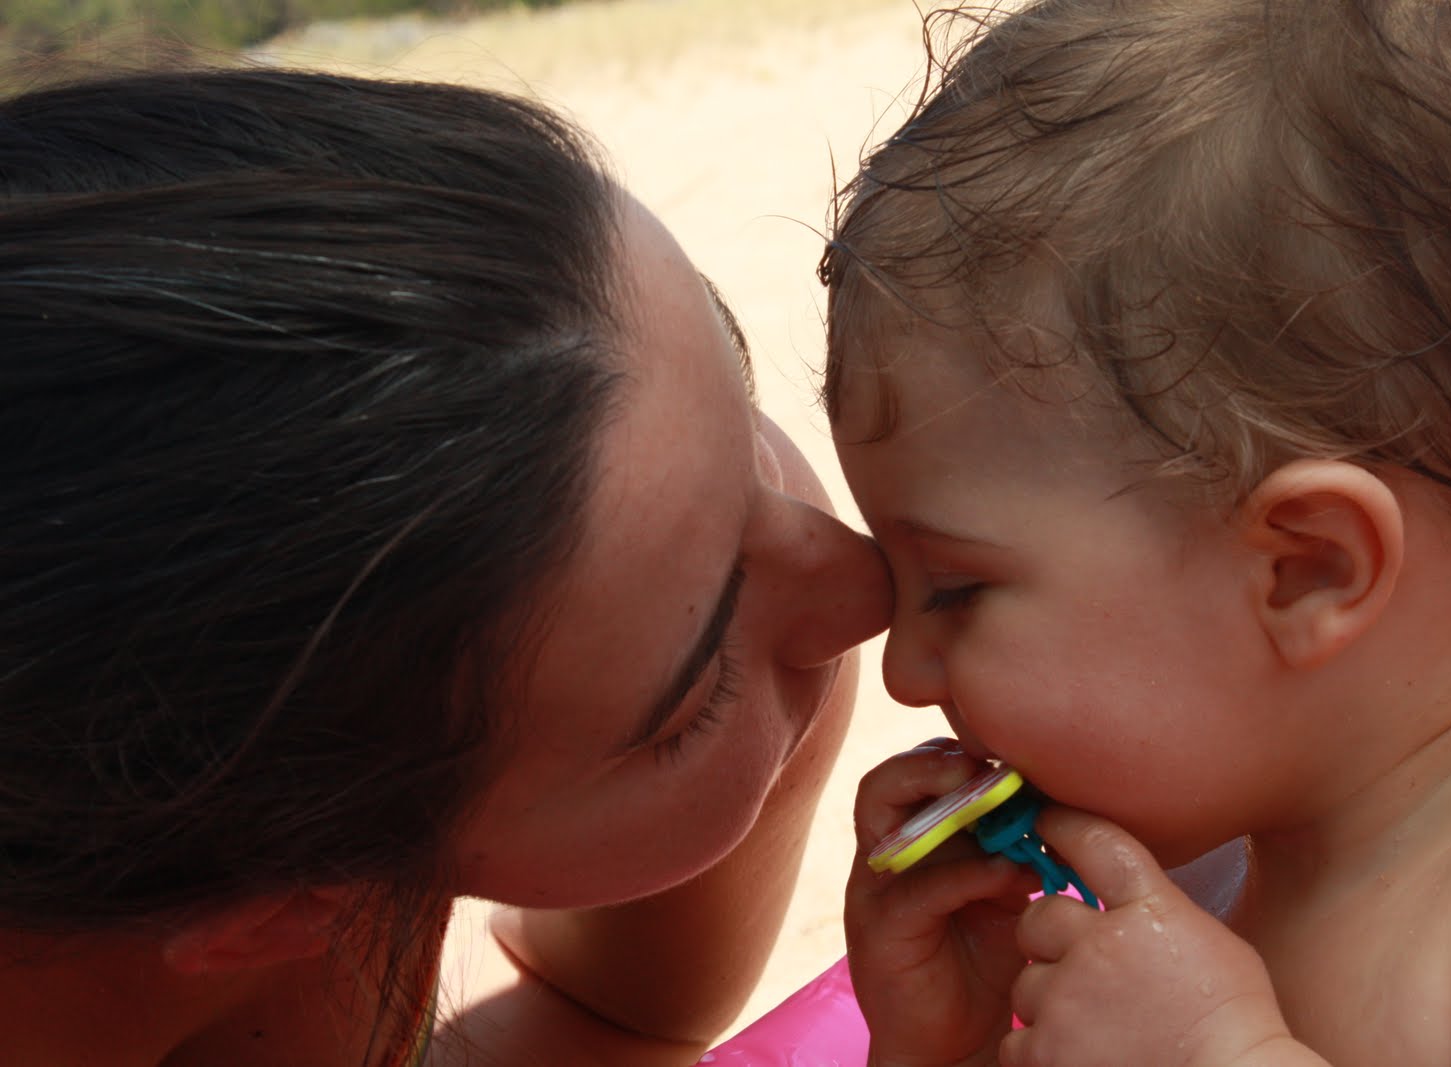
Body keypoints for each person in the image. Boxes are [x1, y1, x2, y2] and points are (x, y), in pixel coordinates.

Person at [0, 65, 891, 1066]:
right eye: (693, 697)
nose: (868, 582)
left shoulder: (645, 534)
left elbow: (606, 1011)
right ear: (269, 908)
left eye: (739, 421)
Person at [819, 0, 1451, 1064]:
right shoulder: (1201, 864)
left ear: (1307, 569)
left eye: (954, 589)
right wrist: (945, 1044)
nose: (903, 672)